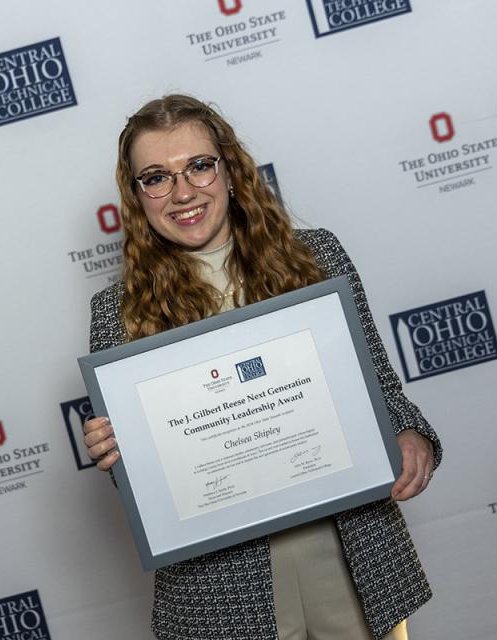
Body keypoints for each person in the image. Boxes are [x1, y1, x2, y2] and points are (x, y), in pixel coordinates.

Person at [83, 95, 441, 640]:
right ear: (137, 197)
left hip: (350, 554)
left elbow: (381, 387)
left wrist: (409, 433)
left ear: (229, 170)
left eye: (199, 166)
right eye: (156, 177)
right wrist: (118, 455)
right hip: (220, 590)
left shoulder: (316, 258)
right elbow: (154, 492)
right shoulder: (118, 313)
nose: (182, 193)